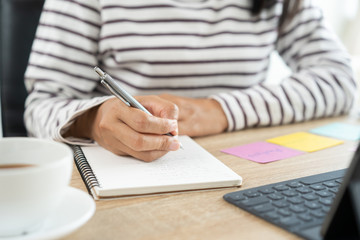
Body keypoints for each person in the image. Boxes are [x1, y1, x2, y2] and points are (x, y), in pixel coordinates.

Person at [24, 0, 357, 162]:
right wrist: (95, 120)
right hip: (127, 172)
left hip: (248, 166)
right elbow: (41, 107)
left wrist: (216, 111)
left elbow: (340, 80)